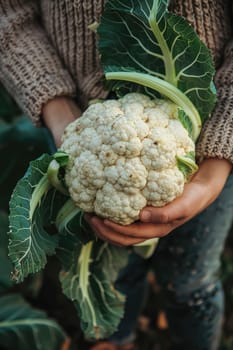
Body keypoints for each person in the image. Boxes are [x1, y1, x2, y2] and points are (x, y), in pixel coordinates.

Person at [0, 1, 233, 349]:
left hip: (214, 145)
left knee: (190, 279)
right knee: (111, 271)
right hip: (80, 139)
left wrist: (215, 168)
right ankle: (116, 337)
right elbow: (8, 14)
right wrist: (57, 108)